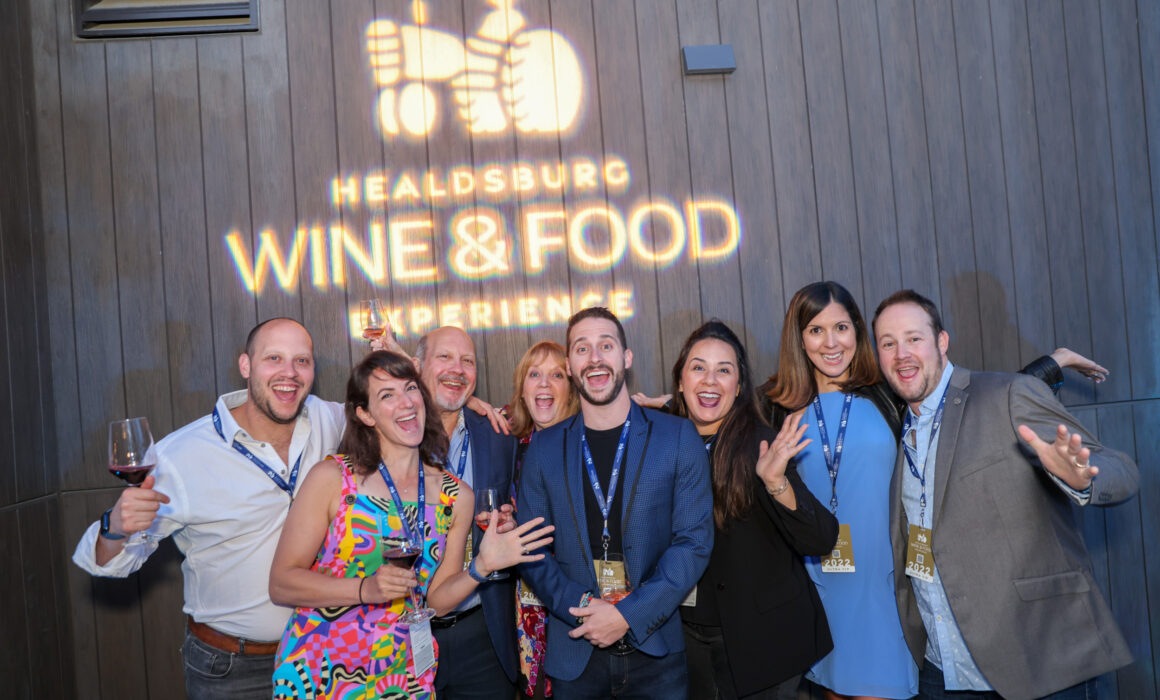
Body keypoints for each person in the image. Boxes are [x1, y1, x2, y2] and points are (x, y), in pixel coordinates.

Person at [872, 290, 1137, 699]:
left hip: (1041, 662)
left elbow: (1121, 470)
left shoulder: (1008, 395)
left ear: (942, 342)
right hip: (943, 672)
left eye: (913, 338)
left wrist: (1083, 479)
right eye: (888, 343)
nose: (901, 354)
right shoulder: (901, 432)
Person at [72, 318, 346, 699]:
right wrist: (115, 527)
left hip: (326, 654)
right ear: (246, 366)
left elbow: (395, 409)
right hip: (235, 669)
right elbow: (110, 562)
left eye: (302, 361)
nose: (290, 373)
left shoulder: (328, 419)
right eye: (274, 358)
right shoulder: (181, 456)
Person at [268, 350, 554, 699]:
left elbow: (436, 598)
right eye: (387, 395)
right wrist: (364, 590)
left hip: (403, 673)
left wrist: (481, 567)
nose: (406, 403)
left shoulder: (456, 495)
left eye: (411, 389)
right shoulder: (333, 478)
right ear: (365, 414)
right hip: (321, 667)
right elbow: (281, 583)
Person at [517, 307, 714, 698]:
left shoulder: (677, 437)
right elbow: (531, 550)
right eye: (581, 349)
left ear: (626, 357)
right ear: (570, 366)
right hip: (576, 647)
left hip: (656, 650)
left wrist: (627, 614)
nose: (594, 358)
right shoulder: (543, 448)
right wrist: (588, 608)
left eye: (605, 345)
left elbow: (693, 544)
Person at [669, 320, 839, 699]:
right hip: (688, 647)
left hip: (764, 646)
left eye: (723, 370)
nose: (710, 381)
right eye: (698, 368)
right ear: (680, 381)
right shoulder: (662, 442)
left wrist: (776, 481)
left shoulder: (763, 444)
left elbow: (821, 537)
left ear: (739, 387)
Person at [415, 325, 521, 698]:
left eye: (467, 361)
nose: (456, 369)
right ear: (418, 366)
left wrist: (509, 524)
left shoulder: (498, 434)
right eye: (444, 357)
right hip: (397, 634)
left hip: (482, 635)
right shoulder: (387, 435)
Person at [507, 340, 581, 697]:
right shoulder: (509, 445)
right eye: (534, 375)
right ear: (522, 390)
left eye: (556, 375)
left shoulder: (589, 444)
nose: (544, 384)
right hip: (525, 609)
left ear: (572, 388)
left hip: (580, 599)